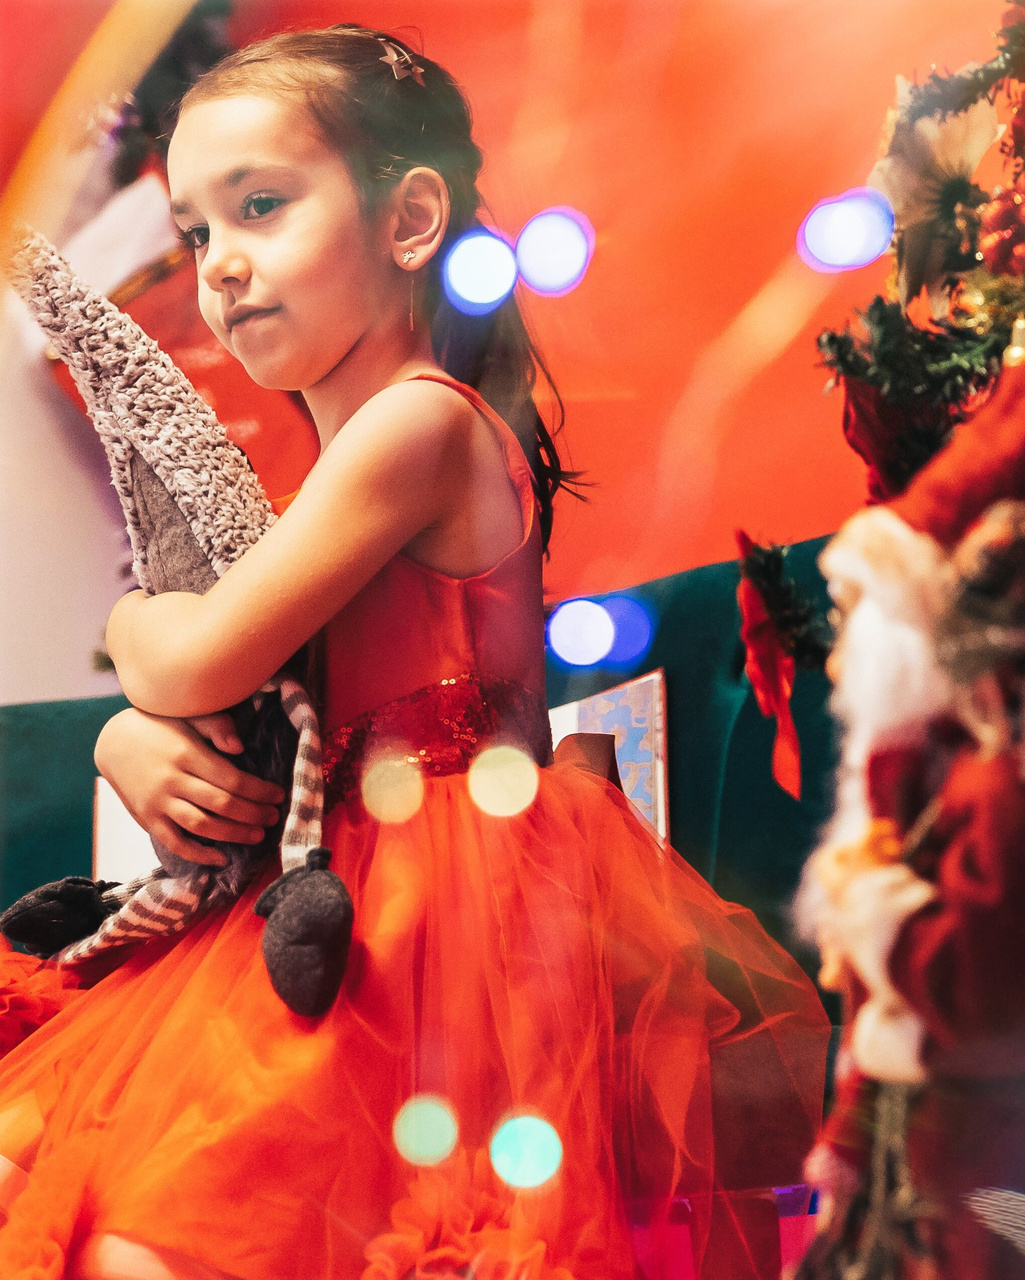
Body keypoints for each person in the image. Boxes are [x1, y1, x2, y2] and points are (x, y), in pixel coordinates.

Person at [0, 26, 827, 1280]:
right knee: (45, 1162)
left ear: (410, 219)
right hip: (335, 880)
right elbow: (261, 705)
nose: (220, 266)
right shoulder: (340, 478)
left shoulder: (417, 429)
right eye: (196, 231)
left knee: (150, 1231)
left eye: (261, 207)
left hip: (437, 913)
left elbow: (205, 657)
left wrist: (125, 633)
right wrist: (127, 737)